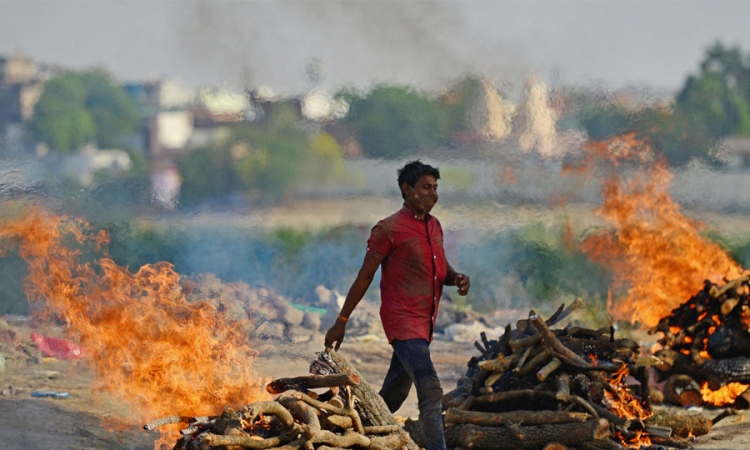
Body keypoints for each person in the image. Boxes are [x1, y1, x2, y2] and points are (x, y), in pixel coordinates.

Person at [324, 160, 470, 450]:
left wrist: (457, 278)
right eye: (426, 188)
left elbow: (440, 269)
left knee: (392, 395)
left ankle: (344, 437)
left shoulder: (435, 226)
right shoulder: (388, 229)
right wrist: (341, 321)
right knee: (430, 388)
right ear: (408, 190)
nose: (433, 194)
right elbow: (364, 276)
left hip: (425, 322)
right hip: (402, 321)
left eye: (435, 188)